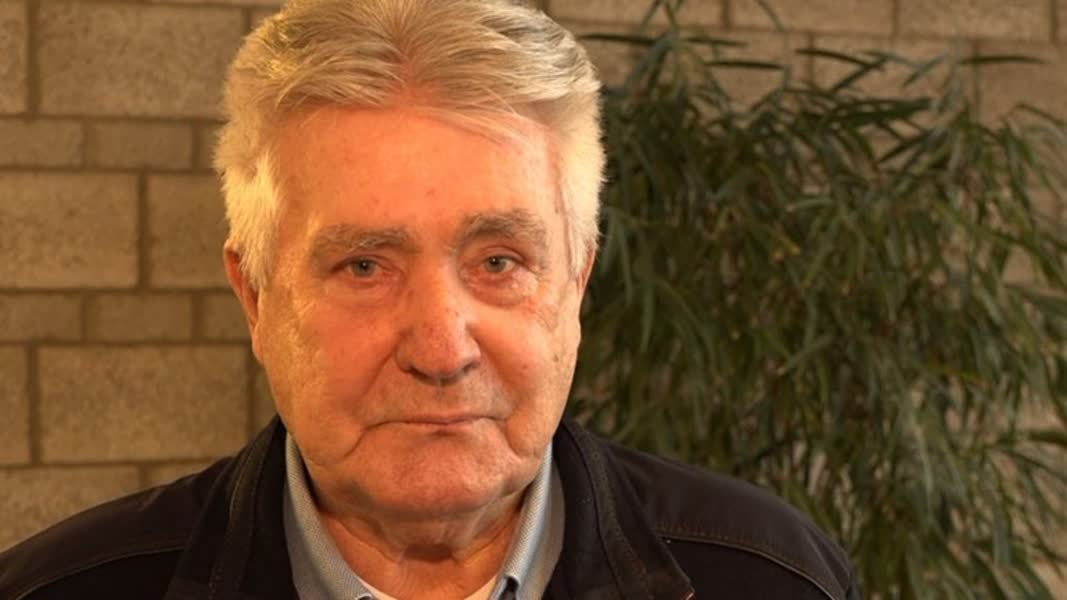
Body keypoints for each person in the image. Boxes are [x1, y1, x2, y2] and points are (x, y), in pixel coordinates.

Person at [0, 0, 857, 598]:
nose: (442, 351)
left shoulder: (774, 578)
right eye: (364, 267)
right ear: (255, 297)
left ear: (576, 283)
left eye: (499, 261)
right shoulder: (59, 589)